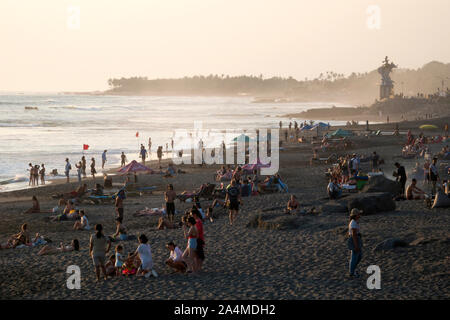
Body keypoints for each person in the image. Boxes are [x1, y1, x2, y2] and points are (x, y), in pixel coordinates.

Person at [348, 208, 363, 277]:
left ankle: (353, 270)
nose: (360, 215)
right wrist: (356, 245)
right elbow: (354, 234)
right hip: (355, 239)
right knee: (355, 256)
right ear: (355, 215)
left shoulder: (354, 221)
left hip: (356, 238)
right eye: (358, 214)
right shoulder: (353, 222)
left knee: (358, 256)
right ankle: (352, 271)